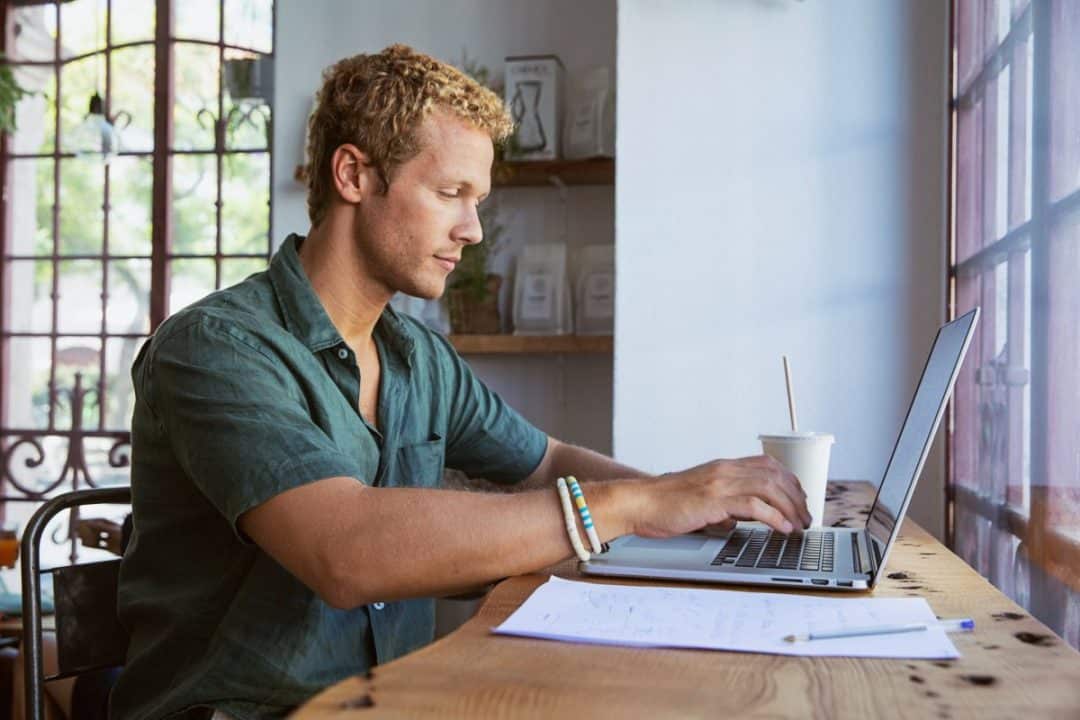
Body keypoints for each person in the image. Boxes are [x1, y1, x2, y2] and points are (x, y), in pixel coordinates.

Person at [110, 44, 811, 720]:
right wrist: (633, 505)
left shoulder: (418, 356)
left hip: (394, 703)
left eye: (478, 200)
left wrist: (693, 515)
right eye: (451, 193)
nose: (472, 230)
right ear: (353, 175)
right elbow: (345, 551)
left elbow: (547, 463)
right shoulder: (217, 349)